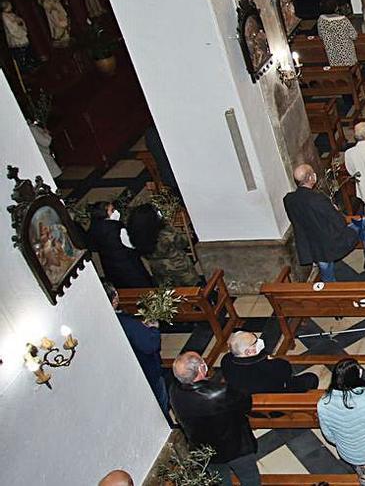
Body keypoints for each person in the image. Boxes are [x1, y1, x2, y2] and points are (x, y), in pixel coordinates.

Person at [283, 164, 365, 282]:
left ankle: (330, 288)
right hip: (333, 241)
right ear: (312, 178)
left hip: (311, 244)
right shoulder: (318, 200)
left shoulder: (288, 199)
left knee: (325, 267)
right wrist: (335, 210)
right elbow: (340, 223)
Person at [170, 352, 259, 485]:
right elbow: (245, 404)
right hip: (236, 447)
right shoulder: (221, 392)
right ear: (201, 369)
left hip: (205, 450)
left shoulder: (174, 391)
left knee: (220, 480)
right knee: (250, 478)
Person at [108, 282, 168, 416]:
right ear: (115, 298)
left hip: (125, 370)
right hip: (146, 369)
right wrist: (153, 329)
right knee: (159, 402)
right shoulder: (126, 323)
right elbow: (150, 345)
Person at [220, 331, 319, 395]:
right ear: (248, 352)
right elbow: (286, 370)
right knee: (311, 378)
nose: (259, 341)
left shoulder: (226, 360)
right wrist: (270, 360)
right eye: (255, 342)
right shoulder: (266, 366)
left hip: (246, 403)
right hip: (275, 401)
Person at [125, 203, 200, 287]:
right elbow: (183, 242)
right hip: (179, 268)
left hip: (158, 270)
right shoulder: (165, 233)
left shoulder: (137, 235)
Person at [87, 202, 154, 288]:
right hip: (129, 268)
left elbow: (93, 247)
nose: (116, 212)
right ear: (105, 213)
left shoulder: (94, 229)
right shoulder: (116, 228)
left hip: (111, 269)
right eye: (112, 210)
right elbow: (133, 244)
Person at [317, 0, 357, 67]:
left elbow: (321, 35)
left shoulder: (321, 20)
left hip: (333, 57)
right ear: (336, 7)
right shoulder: (343, 20)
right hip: (347, 58)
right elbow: (354, 35)